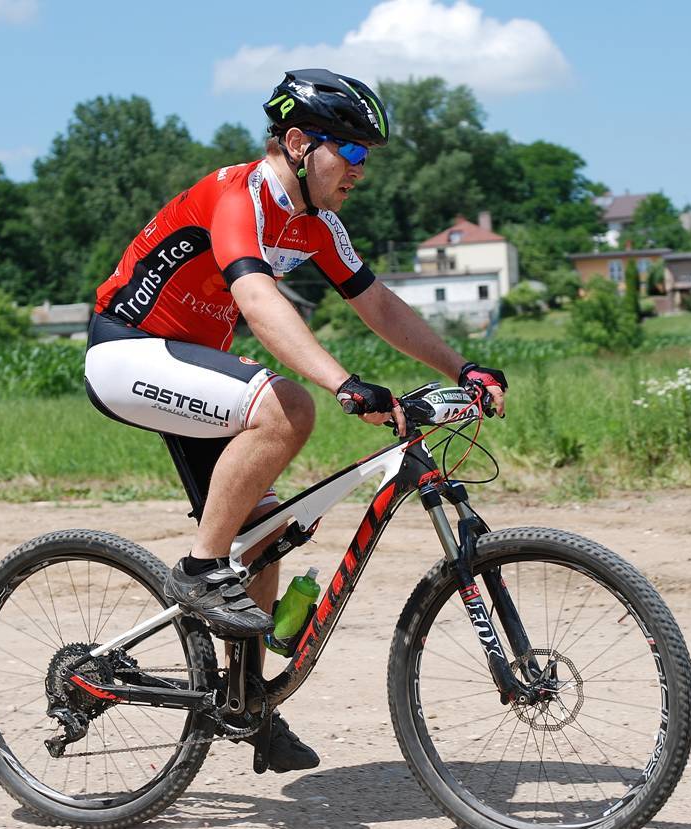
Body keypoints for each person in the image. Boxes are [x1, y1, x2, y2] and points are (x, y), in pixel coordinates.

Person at [83, 68, 507, 771]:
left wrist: (462, 367)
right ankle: (197, 569)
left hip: (190, 362)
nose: (362, 170)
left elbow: (378, 304)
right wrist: (342, 383)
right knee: (290, 407)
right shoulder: (236, 196)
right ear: (300, 143)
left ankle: (246, 704)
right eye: (353, 151)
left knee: (266, 534)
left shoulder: (315, 224)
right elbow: (256, 300)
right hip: (127, 350)